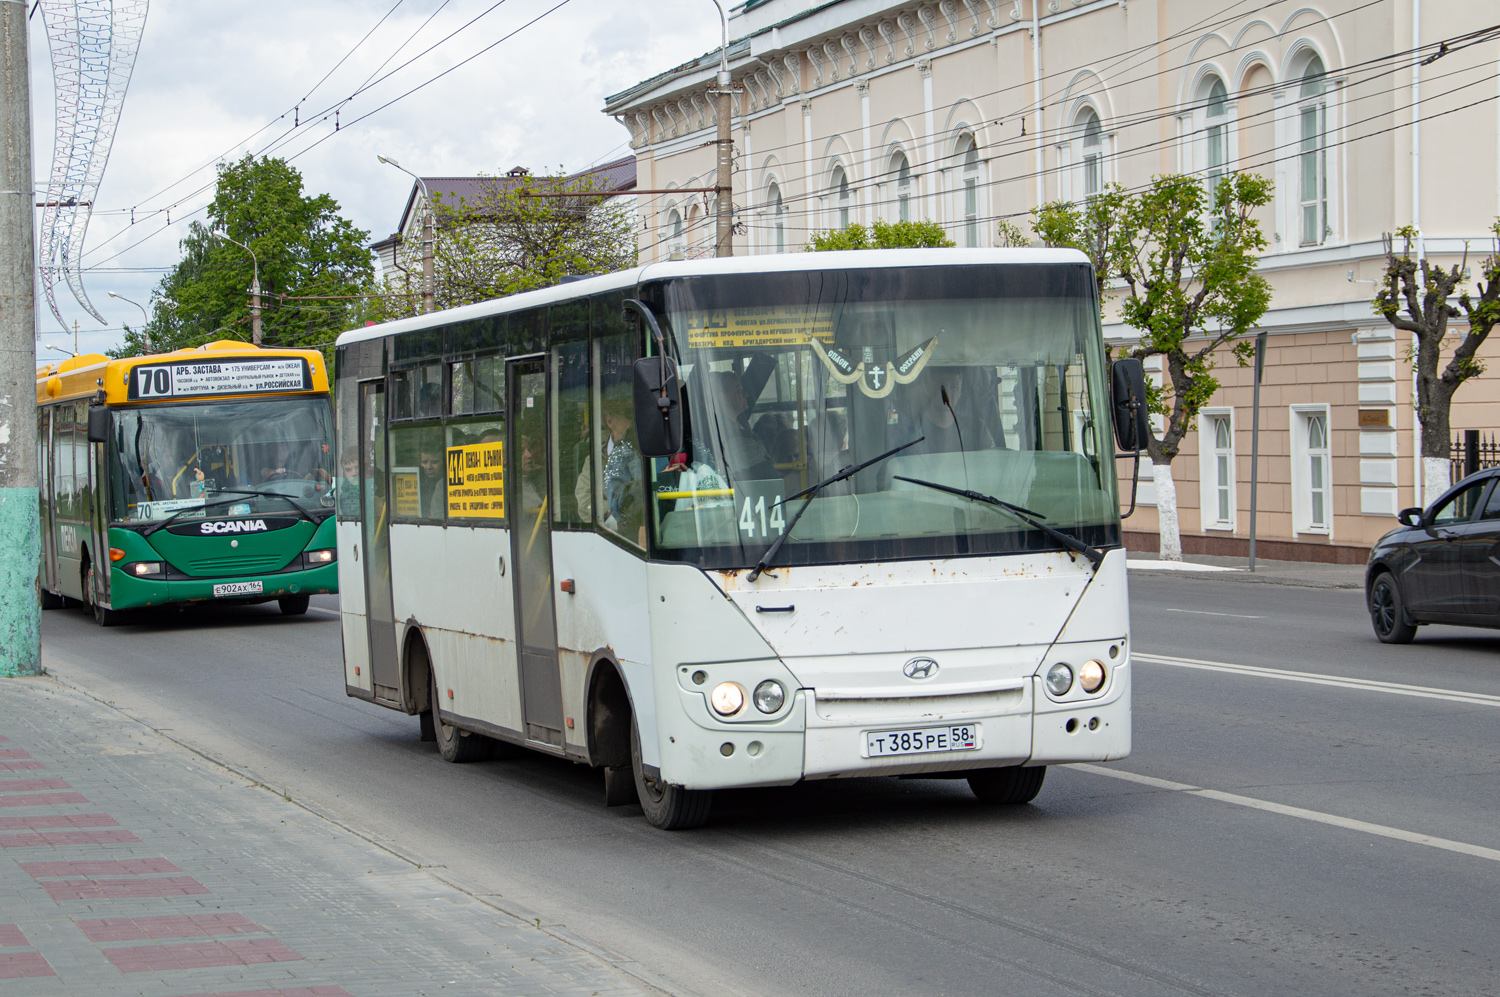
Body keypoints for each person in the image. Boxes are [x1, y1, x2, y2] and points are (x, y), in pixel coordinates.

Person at [708, 370, 779, 482]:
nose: (746, 395)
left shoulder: (741, 421)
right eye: (738, 391)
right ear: (722, 397)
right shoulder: (718, 429)